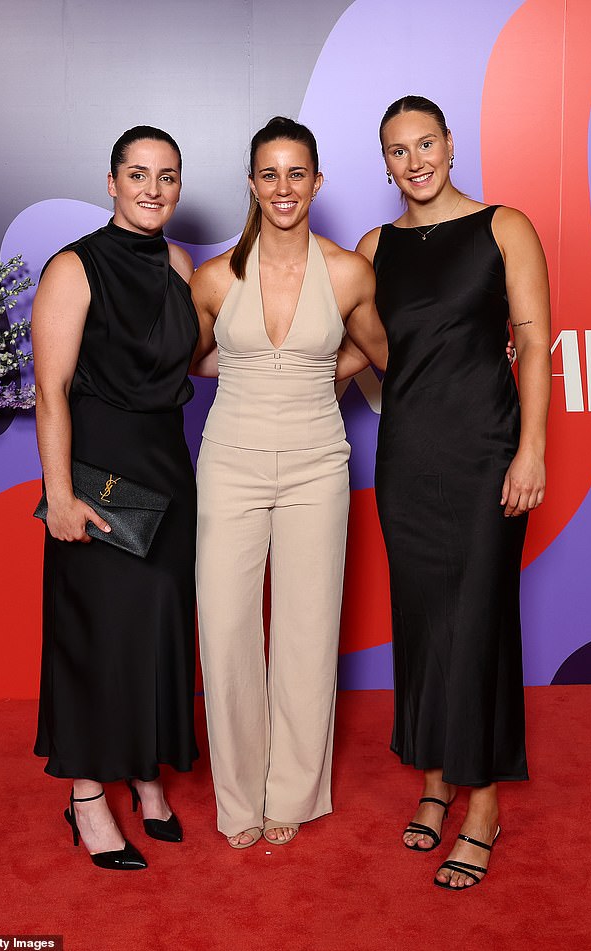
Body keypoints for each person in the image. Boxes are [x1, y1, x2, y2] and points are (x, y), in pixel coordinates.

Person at [356, 96, 551, 889]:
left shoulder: (505, 227)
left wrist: (531, 450)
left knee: (477, 622)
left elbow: (534, 341)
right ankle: (434, 779)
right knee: (422, 619)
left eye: (425, 144)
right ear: (386, 162)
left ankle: (483, 804)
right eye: (398, 151)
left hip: (486, 453)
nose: (414, 162)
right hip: (408, 460)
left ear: (448, 143)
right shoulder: (374, 248)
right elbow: (351, 348)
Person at [190, 116, 388, 849]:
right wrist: (254, 375)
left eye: (296, 173)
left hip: (315, 465)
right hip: (231, 463)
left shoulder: (347, 273)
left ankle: (294, 795)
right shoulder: (214, 278)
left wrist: (308, 377)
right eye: (269, 174)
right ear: (251, 183)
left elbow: (381, 354)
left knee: (308, 632)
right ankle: (238, 798)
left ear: (317, 181)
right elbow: (191, 360)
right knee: (228, 630)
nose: (283, 187)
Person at [32, 126, 199, 869]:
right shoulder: (74, 266)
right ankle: (88, 795)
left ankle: (145, 773)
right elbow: (49, 391)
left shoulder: (179, 263)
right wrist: (59, 495)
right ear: (111, 181)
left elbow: (196, 359)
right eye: (137, 174)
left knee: (156, 627)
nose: (152, 189)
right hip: (98, 470)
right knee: (98, 633)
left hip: (168, 467)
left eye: (166, 177)